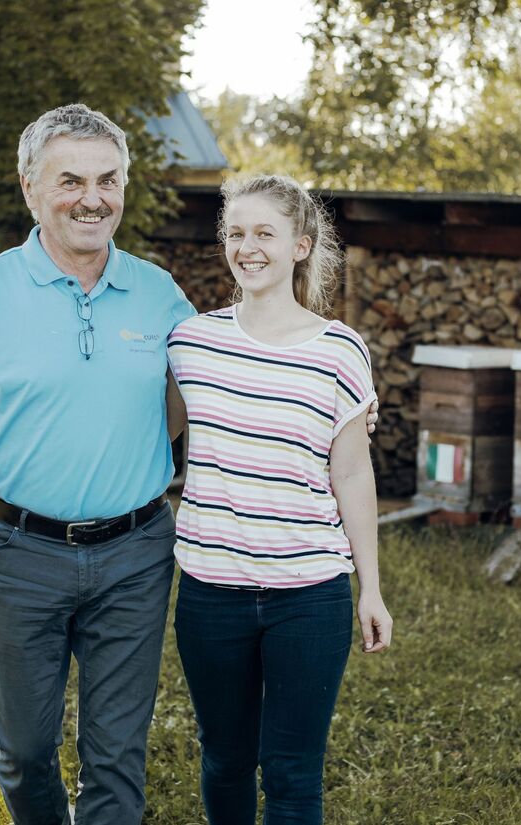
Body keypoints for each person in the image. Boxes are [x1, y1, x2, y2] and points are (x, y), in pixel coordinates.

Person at [0, 104, 196, 825]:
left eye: (108, 179)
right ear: (30, 187)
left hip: (136, 551)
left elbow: (213, 386)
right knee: (25, 746)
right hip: (18, 551)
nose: (92, 198)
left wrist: (338, 399)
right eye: (71, 180)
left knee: (117, 754)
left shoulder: (159, 293)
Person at [166, 174, 393, 825]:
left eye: (264, 232)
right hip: (211, 592)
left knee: (293, 771)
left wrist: (369, 587)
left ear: (300, 244)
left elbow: (353, 475)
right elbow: (152, 432)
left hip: (309, 593)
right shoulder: (192, 343)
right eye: (236, 233)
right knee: (226, 759)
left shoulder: (340, 351)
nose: (247, 247)